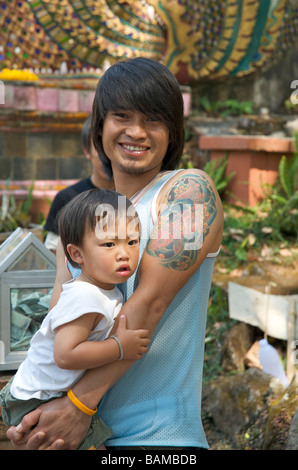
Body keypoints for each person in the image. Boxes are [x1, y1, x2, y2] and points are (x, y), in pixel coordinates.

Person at [7, 57, 224, 450]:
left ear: (173, 132)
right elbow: (59, 326)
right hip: (80, 437)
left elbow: (149, 305)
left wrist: (78, 406)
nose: (136, 131)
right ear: (101, 127)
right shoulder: (81, 220)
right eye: (121, 116)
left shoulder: (187, 193)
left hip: (159, 441)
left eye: (153, 120)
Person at [1, 188, 149, 450]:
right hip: (35, 398)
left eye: (132, 242)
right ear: (77, 254)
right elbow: (66, 354)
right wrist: (119, 347)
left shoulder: (101, 289)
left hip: (41, 391)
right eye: (109, 244)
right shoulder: (85, 297)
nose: (124, 253)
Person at [44, 114, 114, 253]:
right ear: (87, 151)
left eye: (112, 147)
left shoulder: (140, 196)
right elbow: (52, 252)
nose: (107, 156)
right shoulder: (67, 198)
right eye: (99, 148)